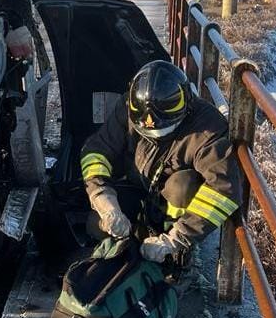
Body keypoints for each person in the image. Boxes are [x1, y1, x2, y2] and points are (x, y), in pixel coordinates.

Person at [80, 60, 241, 272]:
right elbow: (96, 150)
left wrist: (176, 239)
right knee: (94, 225)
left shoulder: (208, 129)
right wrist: (104, 201)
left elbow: (224, 190)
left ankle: (174, 253)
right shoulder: (128, 108)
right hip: (137, 187)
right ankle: (138, 234)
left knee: (182, 186)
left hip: (173, 206)